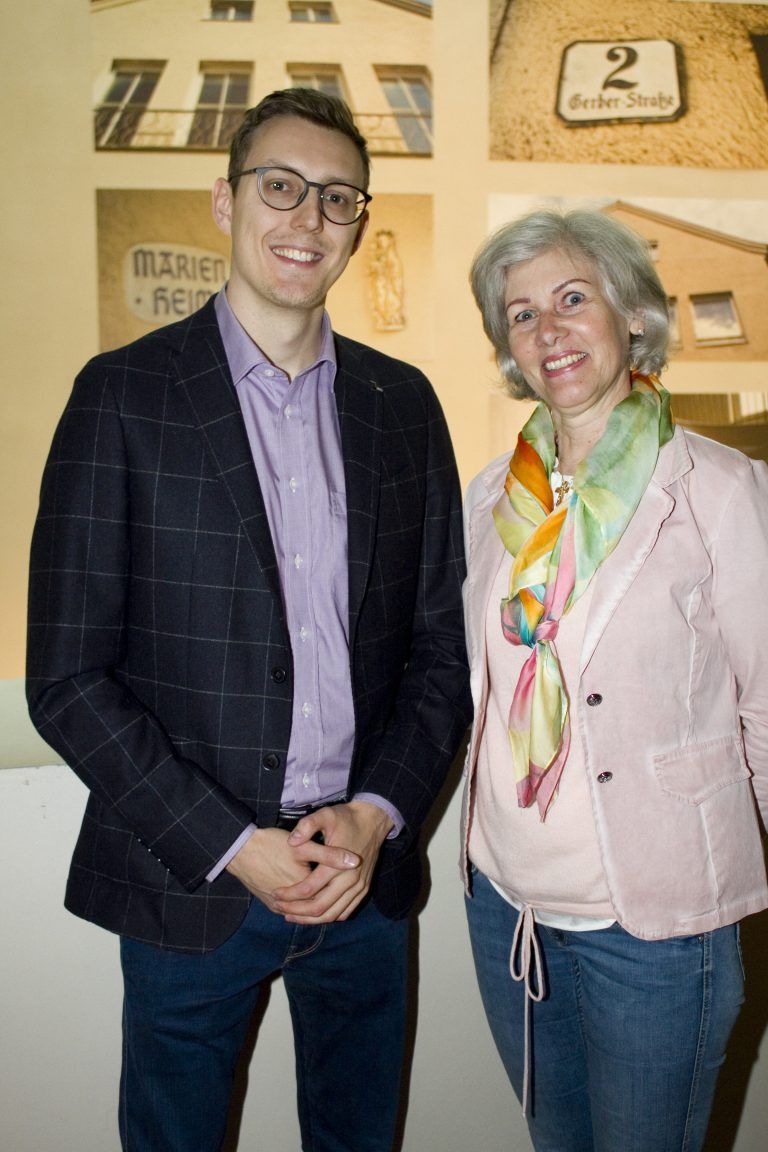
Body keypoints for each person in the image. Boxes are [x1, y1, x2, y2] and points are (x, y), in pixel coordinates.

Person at [27, 88, 471, 1152]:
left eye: (335, 198)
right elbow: (67, 679)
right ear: (223, 202)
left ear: (360, 223)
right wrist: (235, 844)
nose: (305, 218)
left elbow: (440, 653)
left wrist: (374, 816)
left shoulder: (402, 405)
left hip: (363, 883)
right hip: (193, 887)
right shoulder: (122, 395)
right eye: (280, 186)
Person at [461, 208, 768, 1152]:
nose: (548, 331)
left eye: (572, 298)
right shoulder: (491, 495)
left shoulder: (715, 487)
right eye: (521, 314)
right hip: (506, 908)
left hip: (655, 928)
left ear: (631, 317)